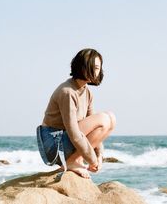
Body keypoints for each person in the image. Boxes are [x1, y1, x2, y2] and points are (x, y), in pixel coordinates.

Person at [37, 48, 116, 179]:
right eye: (89, 66)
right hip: (53, 144)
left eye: (96, 68)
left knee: (111, 119)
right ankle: (72, 162)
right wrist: (91, 159)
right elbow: (73, 132)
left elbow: (95, 126)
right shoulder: (67, 92)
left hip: (65, 140)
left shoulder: (87, 92)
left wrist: (99, 155)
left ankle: (74, 160)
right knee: (104, 118)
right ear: (80, 66)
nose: (93, 71)